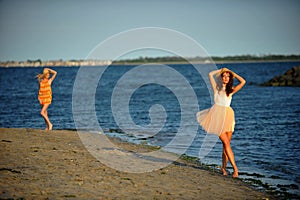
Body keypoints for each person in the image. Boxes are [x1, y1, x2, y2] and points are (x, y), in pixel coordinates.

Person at [197, 68, 246, 178]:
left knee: (226, 145)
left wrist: (232, 73)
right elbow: (210, 74)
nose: (225, 78)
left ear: (230, 79)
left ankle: (223, 168)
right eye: (224, 76)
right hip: (217, 117)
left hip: (228, 117)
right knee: (226, 143)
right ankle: (235, 169)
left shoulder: (231, 90)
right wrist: (221, 70)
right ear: (221, 78)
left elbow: (243, 81)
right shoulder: (216, 89)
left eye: (228, 77)